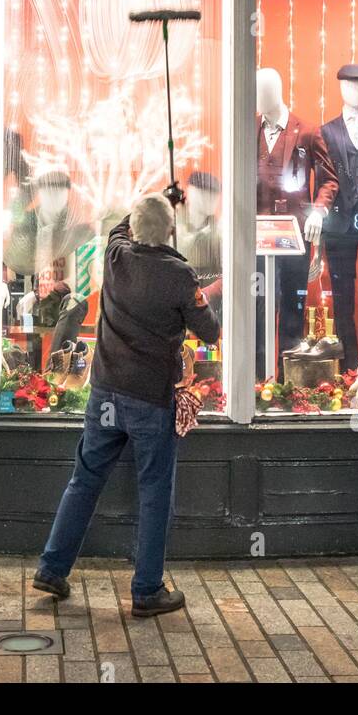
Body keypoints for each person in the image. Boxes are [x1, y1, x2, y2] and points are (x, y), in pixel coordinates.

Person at [32, 192, 220, 617]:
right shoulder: (180, 275)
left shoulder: (115, 256)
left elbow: (120, 227)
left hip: (105, 393)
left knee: (85, 480)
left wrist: (153, 205)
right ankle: (147, 590)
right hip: (150, 399)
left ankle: (52, 566)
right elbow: (209, 330)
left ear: (133, 229)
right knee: (155, 492)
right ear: (170, 230)